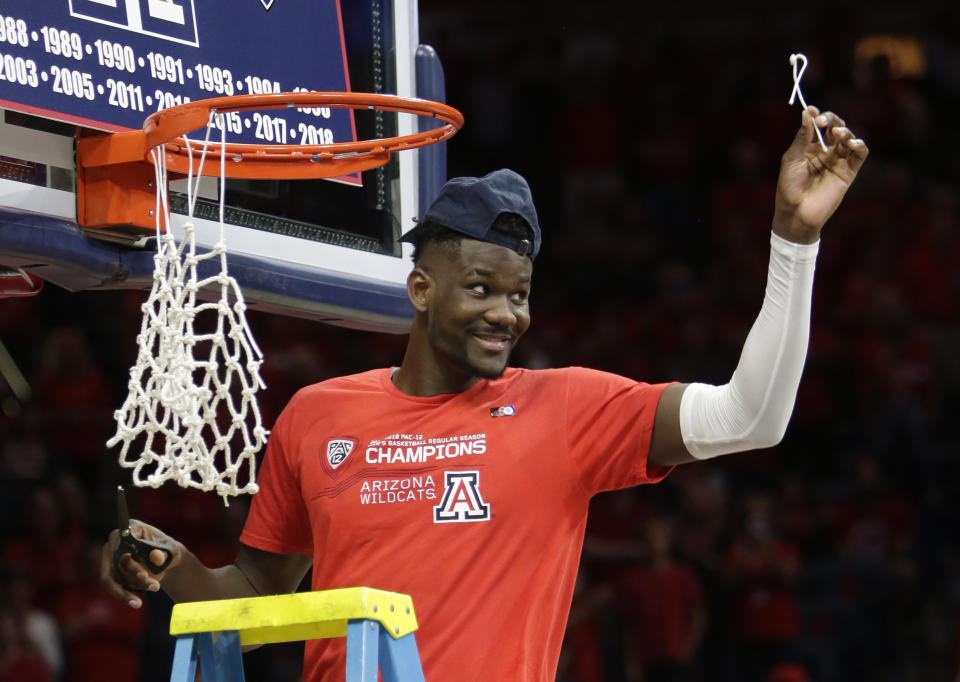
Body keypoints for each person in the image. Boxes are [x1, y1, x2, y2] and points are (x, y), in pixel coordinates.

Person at [101, 105, 868, 681]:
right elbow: (254, 600)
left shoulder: (567, 409)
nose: (507, 314)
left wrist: (793, 240)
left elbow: (752, 417)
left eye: (521, 294)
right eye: (480, 289)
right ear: (421, 289)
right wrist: (177, 570)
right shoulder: (316, 414)